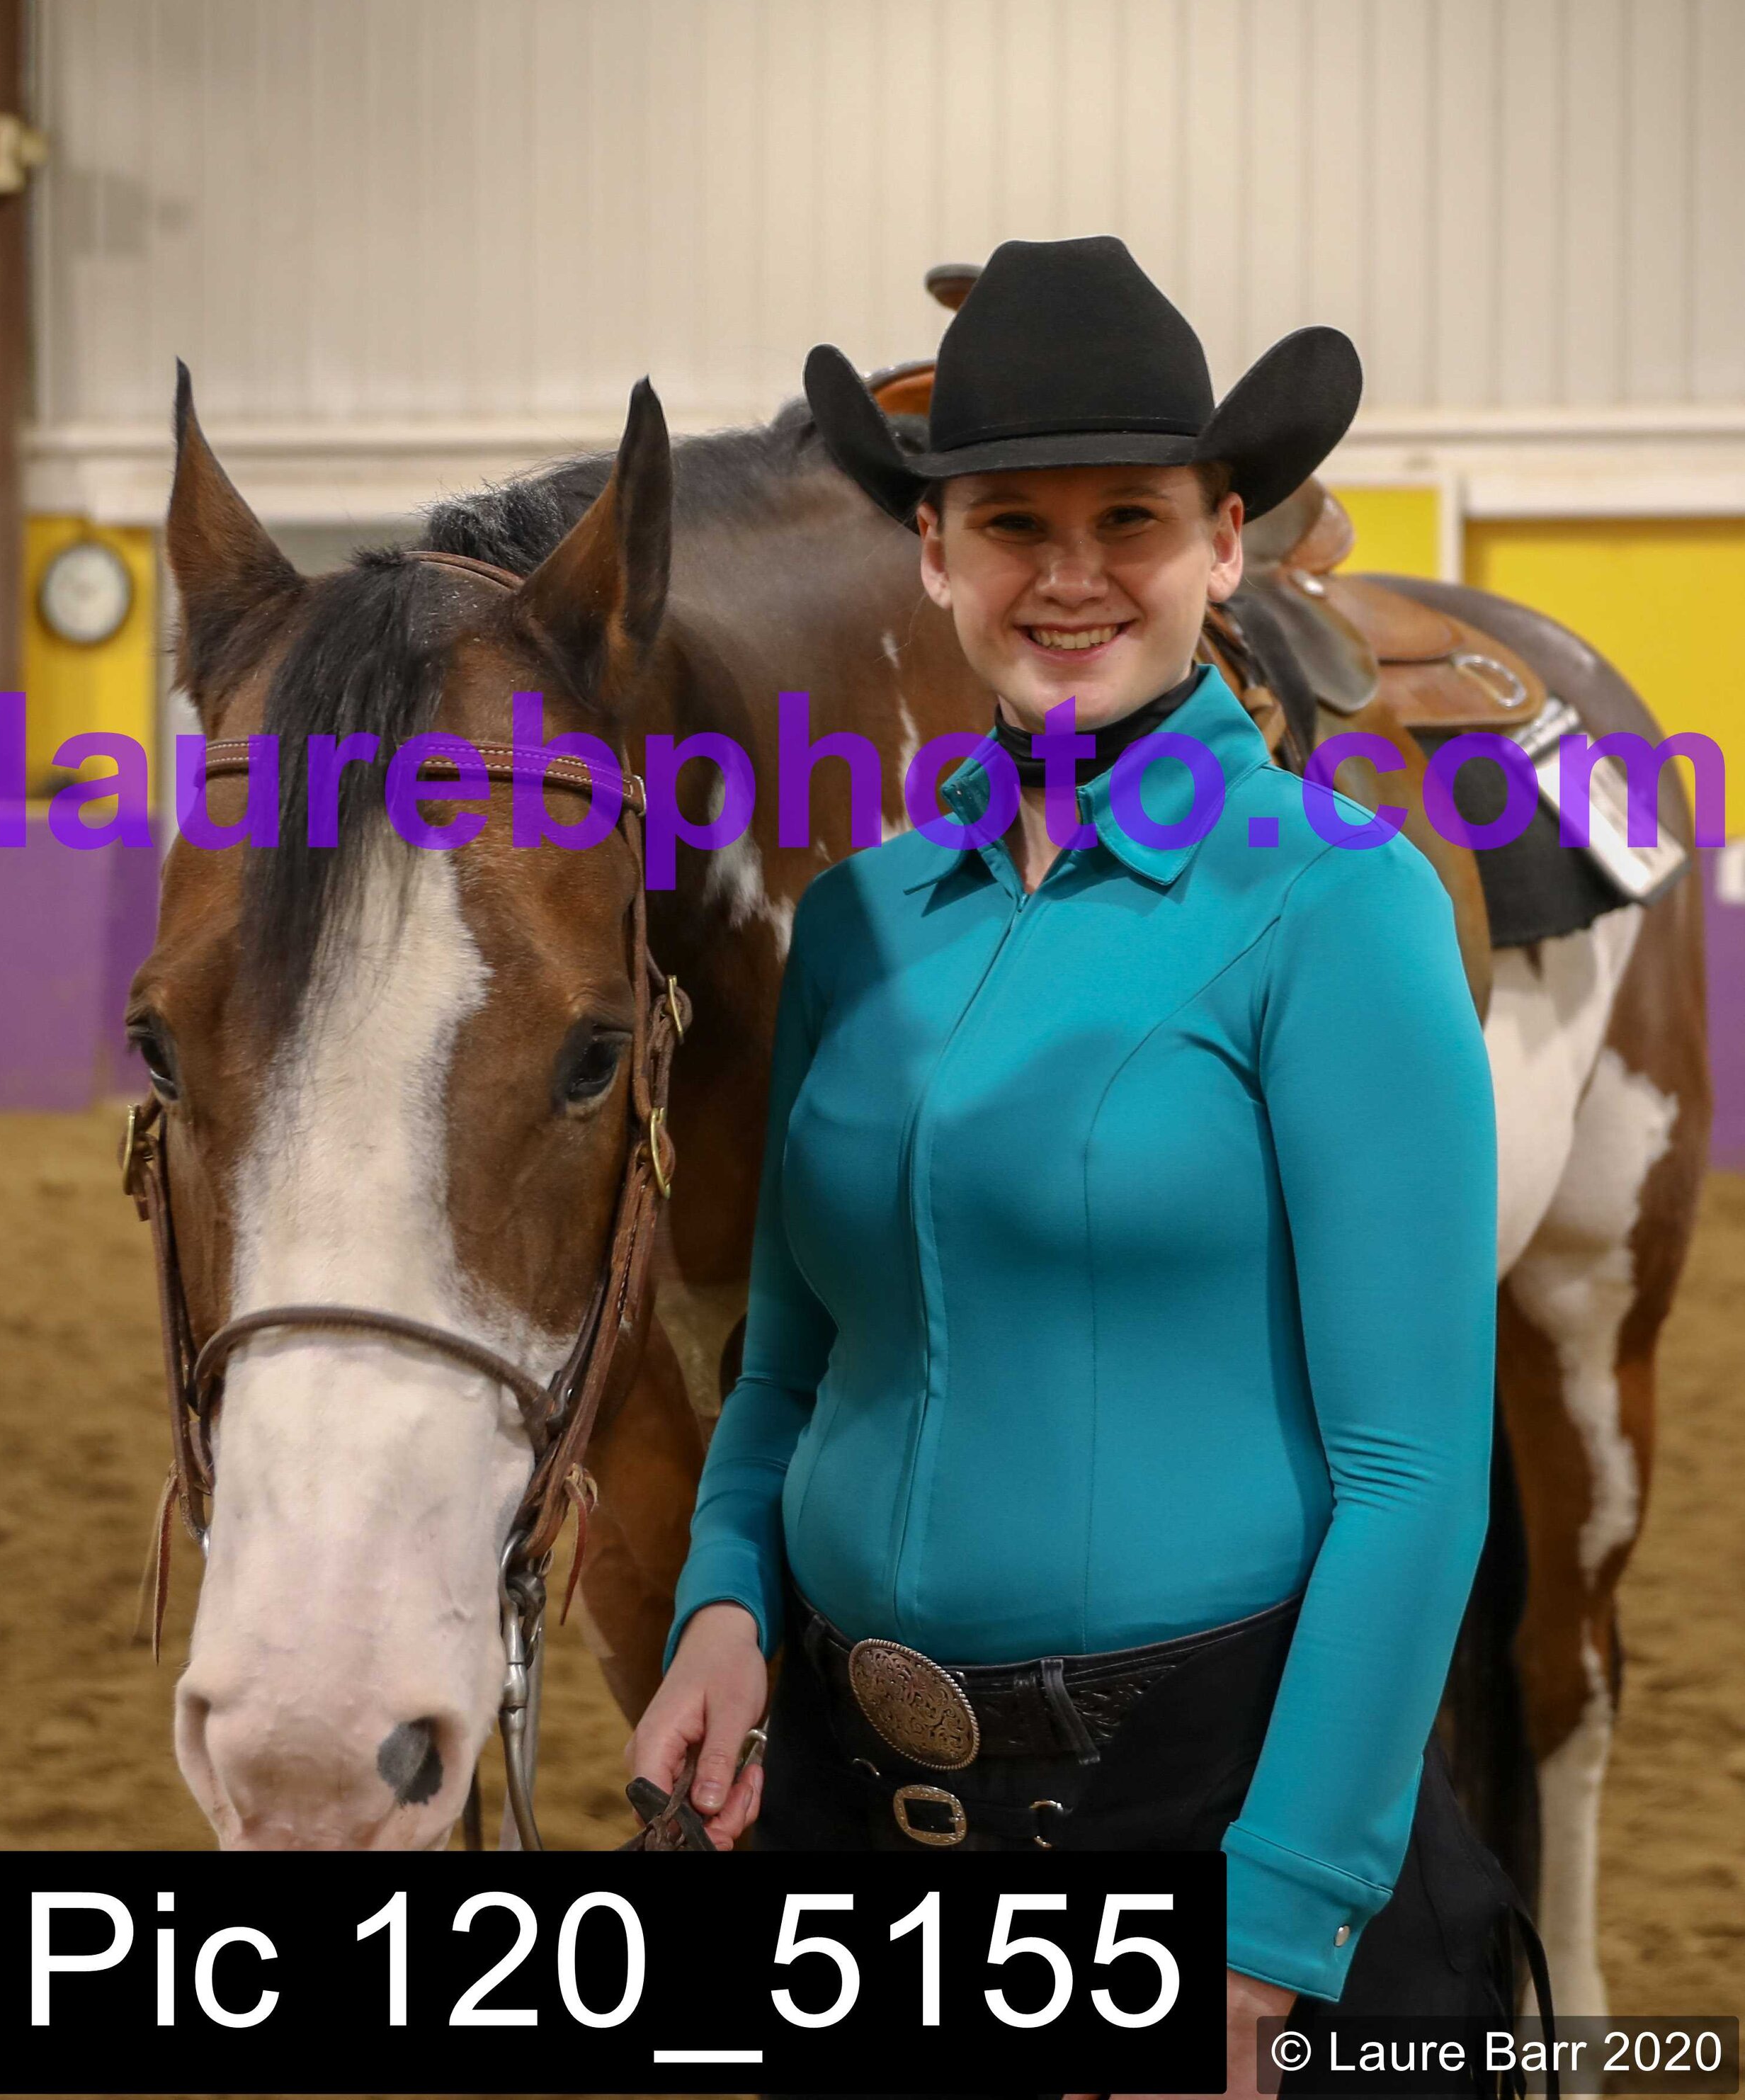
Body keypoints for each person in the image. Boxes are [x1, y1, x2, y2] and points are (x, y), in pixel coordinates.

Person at [627, 237, 1552, 2100]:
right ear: (934, 553)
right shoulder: (861, 919)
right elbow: (786, 1365)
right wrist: (722, 1600)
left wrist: (1276, 1923)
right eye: (1010, 525)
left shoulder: (1335, 903)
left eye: (1128, 519)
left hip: (1195, 1822)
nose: (1068, 577)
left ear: (1224, 545)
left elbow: (1413, 1476)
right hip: (844, 1808)